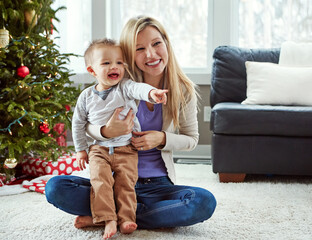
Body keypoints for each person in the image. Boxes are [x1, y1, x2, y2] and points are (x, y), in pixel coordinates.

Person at [45, 16, 216, 232]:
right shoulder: (118, 85)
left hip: (157, 185)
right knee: (55, 187)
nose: (151, 54)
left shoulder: (182, 90)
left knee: (203, 202)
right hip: (113, 180)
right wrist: (106, 131)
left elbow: (191, 140)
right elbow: (85, 123)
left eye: (156, 43)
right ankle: (124, 212)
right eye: (140, 49)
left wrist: (162, 138)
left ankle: (110, 215)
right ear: (128, 55)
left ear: (166, 43)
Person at [71, 38, 168, 238]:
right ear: (92, 71)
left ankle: (126, 219)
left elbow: (138, 89)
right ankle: (109, 219)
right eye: (106, 63)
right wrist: (81, 150)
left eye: (119, 62)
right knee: (100, 182)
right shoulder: (86, 97)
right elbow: (78, 123)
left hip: (126, 149)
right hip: (99, 150)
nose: (114, 67)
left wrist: (152, 93)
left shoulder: (124, 87)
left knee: (125, 185)